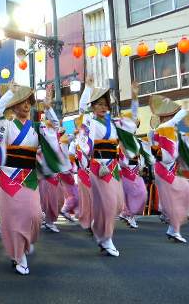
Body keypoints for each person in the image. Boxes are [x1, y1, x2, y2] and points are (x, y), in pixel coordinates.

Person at [0, 83, 69, 275]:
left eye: (28, 102)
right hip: (8, 176)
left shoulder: (37, 127)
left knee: (35, 216)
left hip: (28, 177)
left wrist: (48, 107)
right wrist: (11, 92)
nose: (26, 106)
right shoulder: (7, 126)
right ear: (13, 106)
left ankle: (25, 243)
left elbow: (56, 129)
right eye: (21, 102)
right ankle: (18, 255)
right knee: (13, 218)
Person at [79, 83, 131, 257]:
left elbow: (131, 127)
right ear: (92, 106)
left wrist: (136, 100)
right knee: (109, 203)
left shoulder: (113, 122)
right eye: (98, 104)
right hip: (99, 167)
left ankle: (98, 227)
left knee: (117, 204)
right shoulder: (90, 121)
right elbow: (85, 139)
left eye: (104, 104)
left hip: (113, 167)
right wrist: (87, 88)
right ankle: (107, 239)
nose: (102, 107)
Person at [150, 94, 189, 243]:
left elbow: (187, 152)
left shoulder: (174, 133)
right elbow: (173, 122)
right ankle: (172, 226)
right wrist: (185, 110)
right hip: (162, 171)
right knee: (181, 195)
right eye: (170, 116)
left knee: (184, 195)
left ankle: (173, 228)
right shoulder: (160, 129)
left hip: (168, 171)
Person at [117, 83, 149, 229]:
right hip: (125, 171)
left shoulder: (135, 140)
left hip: (132, 171)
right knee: (140, 192)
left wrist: (135, 95)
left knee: (135, 194)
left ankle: (128, 214)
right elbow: (123, 158)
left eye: (136, 123)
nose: (135, 123)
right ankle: (128, 214)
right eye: (133, 122)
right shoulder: (123, 138)